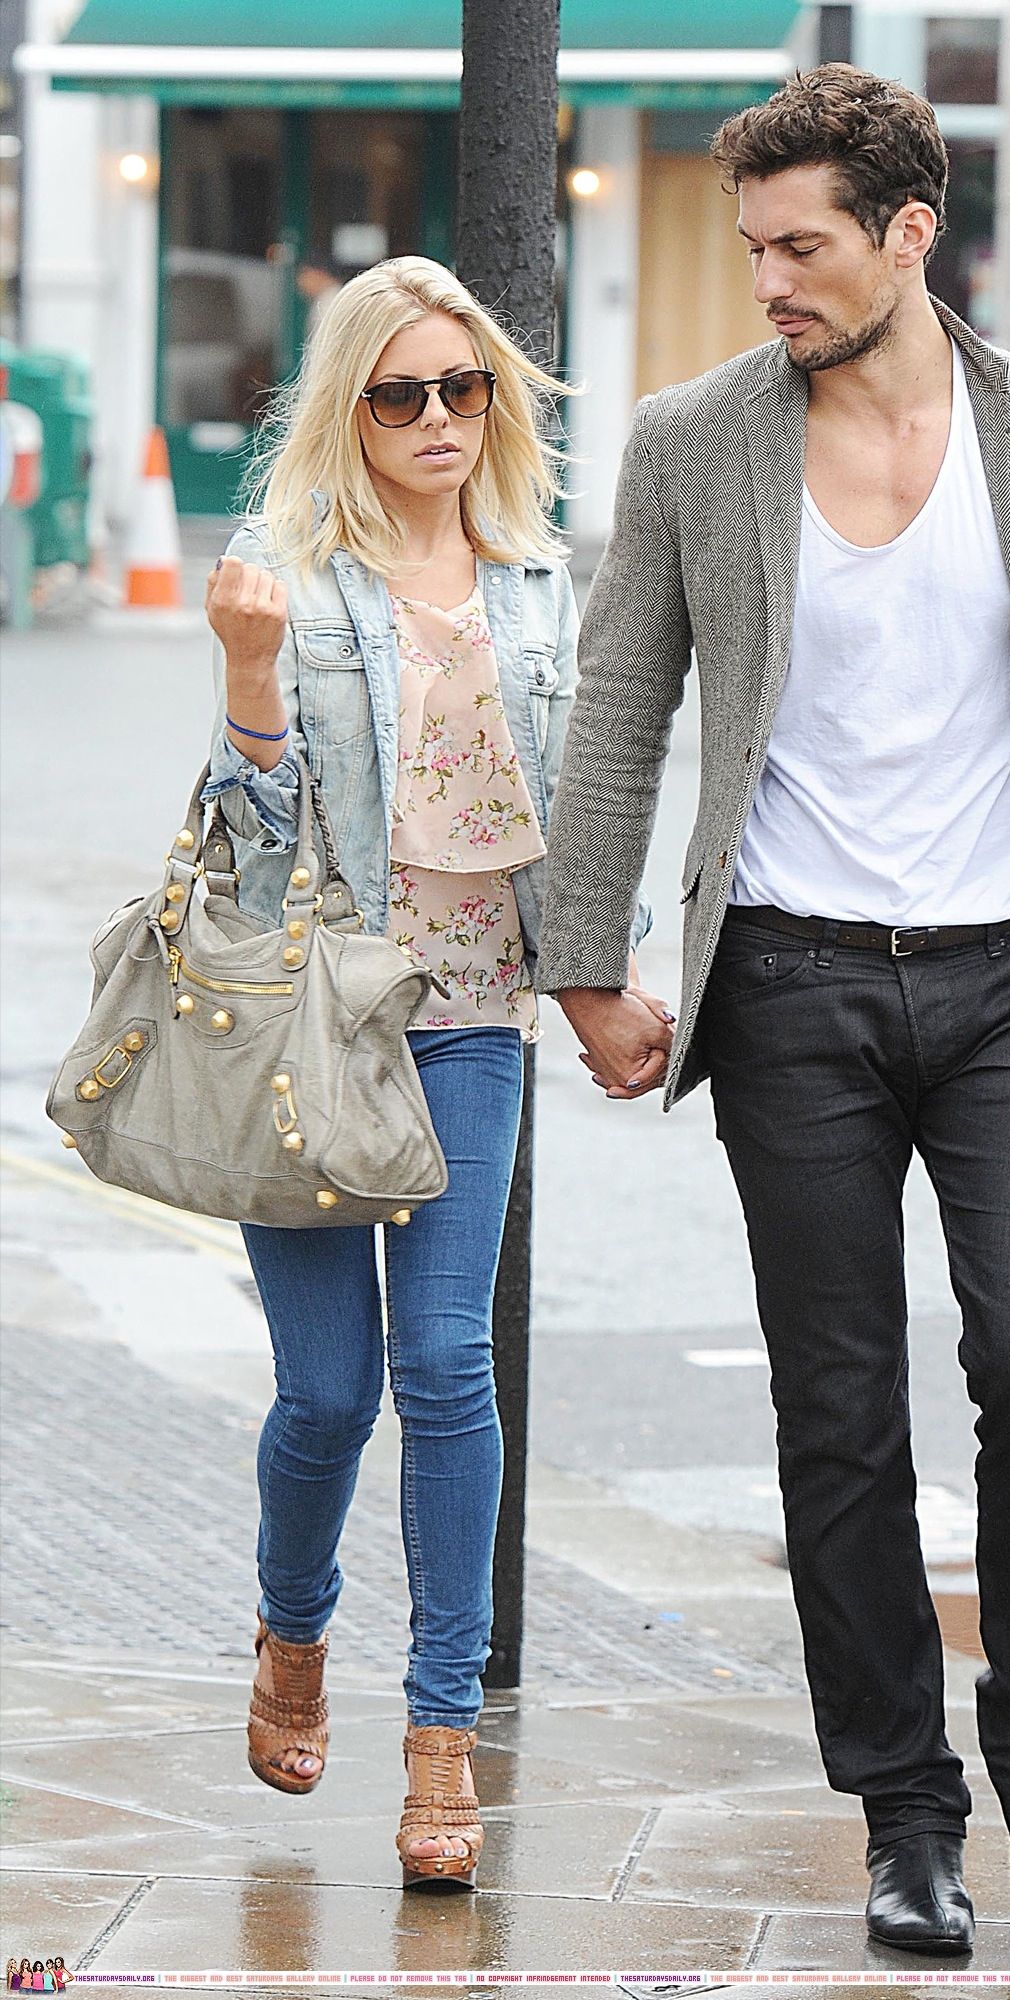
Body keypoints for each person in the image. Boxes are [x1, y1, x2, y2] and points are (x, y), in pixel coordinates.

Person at [539, 64, 1010, 1956]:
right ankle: (904, 1813)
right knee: (839, 1410)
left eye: (801, 246)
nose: (767, 279)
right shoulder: (695, 442)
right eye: (751, 246)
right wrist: (586, 964)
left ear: (908, 233)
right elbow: (620, 705)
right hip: (791, 982)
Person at [201, 254, 652, 1891]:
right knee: (327, 1394)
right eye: (400, 395)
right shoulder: (284, 580)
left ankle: (443, 1735)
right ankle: (292, 1627)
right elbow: (245, 852)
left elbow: (584, 808)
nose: (439, 419)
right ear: (350, 410)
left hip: (474, 1022)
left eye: (465, 388)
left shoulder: (536, 582)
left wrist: (599, 979)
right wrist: (251, 679)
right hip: (319, 1025)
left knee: (448, 1370)